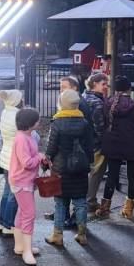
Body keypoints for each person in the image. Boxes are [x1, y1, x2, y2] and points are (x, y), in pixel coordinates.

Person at [44, 90, 95, 248]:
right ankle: (81, 234)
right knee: (80, 202)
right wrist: (90, 162)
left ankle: (57, 235)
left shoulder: (56, 123)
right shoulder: (84, 123)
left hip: (61, 169)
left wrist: (46, 160)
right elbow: (89, 146)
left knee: (60, 203)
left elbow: (51, 148)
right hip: (80, 168)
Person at [98, 76, 134, 220]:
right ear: (129, 88)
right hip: (132, 142)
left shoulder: (108, 103)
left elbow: (105, 121)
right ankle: (128, 208)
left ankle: (105, 206)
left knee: (112, 174)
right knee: (132, 176)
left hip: (113, 142)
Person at [9, 107, 46, 265]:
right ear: (29, 123)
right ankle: (27, 251)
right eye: (36, 120)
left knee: (22, 213)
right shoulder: (23, 139)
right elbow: (27, 163)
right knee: (29, 215)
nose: (39, 122)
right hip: (22, 181)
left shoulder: (25, 136)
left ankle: (20, 246)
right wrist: (39, 157)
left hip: (23, 181)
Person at [0, 89, 22, 237]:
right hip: (15, 159)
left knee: (6, 192)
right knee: (14, 194)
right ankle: (8, 225)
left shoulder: (6, 112)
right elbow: (25, 135)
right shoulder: (17, 116)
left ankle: (1, 222)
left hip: (6, 157)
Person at [83, 74, 108, 213]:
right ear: (94, 84)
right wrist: (102, 141)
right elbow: (100, 126)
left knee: (90, 171)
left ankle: (86, 200)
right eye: (103, 84)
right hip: (97, 143)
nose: (106, 87)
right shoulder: (97, 102)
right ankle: (90, 201)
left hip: (86, 141)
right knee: (97, 172)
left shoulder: (84, 96)